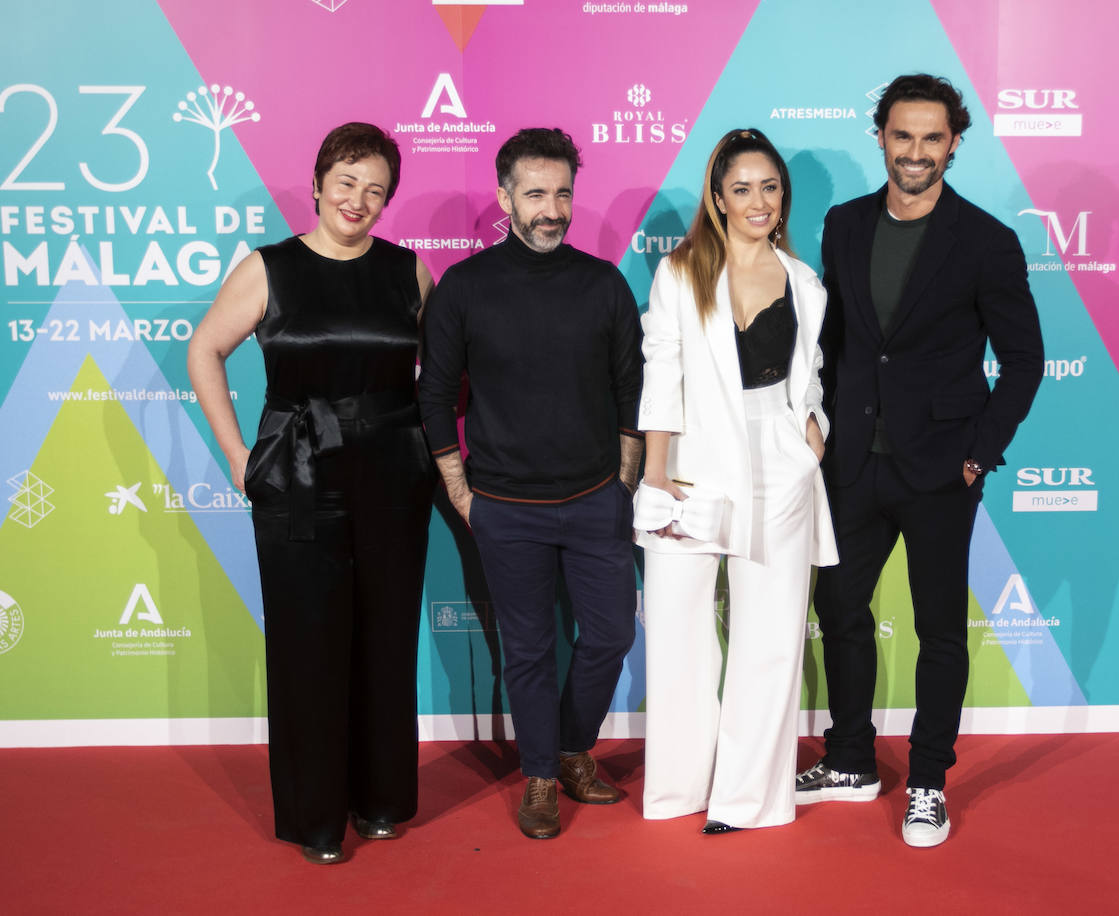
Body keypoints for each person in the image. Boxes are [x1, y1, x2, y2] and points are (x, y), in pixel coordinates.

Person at [797, 75, 1043, 847]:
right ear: (880, 136)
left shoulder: (986, 241)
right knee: (839, 611)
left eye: (931, 138)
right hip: (850, 464)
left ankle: (930, 779)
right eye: (902, 136)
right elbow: (835, 341)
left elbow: (1025, 360)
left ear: (954, 144)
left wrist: (978, 454)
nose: (915, 152)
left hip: (941, 467)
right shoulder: (841, 224)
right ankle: (850, 759)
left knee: (939, 629)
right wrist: (814, 418)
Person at [187, 122, 436, 864]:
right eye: (348, 181)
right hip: (297, 472)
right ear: (321, 178)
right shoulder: (271, 269)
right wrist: (238, 452)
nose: (359, 199)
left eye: (376, 189)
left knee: (386, 638)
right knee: (308, 643)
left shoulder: (408, 272)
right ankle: (317, 816)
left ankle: (383, 800)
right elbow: (205, 348)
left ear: (389, 199)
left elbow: (446, 369)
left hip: (395, 469)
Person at [417, 128, 643, 841]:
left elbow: (631, 391)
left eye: (563, 193)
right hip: (506, 507)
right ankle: (542, 776)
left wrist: (625, 482)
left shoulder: (602, 283)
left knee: (608, 635)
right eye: (537, 193)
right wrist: (458, 489)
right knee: (529, 651)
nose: (553, 209)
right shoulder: (466, 286)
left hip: (593, 500)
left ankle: (573, 748)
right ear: (506, 196)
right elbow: (434, 398)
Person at [637, 128, 837, 834]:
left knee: (772, 635)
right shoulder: (682, 271)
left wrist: (813, 437)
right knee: (678, 629)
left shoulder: (805, 281)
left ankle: (748, 799)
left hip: (778, 461)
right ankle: (680, 788)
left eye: (770, 187)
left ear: (784, 198)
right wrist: (656, 471)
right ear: (718, 198)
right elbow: (660, 370)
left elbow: (809, 378)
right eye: (742, 188)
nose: (758, 201)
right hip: (690, 461)